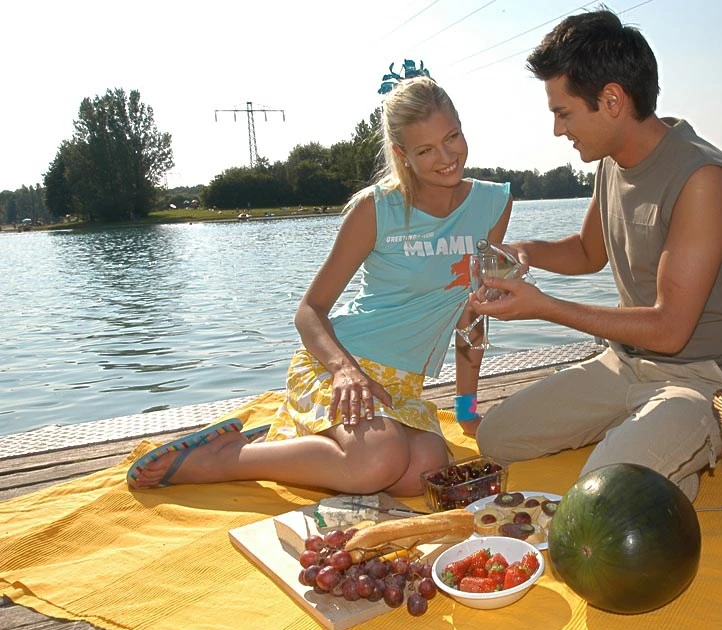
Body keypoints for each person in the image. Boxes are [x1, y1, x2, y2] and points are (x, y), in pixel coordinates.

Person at [128, 76, 512, 497]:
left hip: (402, 387)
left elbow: (474, 314)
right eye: (425, 149)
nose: (446, 157)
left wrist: (467, 410)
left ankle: (304, 438)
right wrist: (345, 371)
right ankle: (226, 457)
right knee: (377, 461)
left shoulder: (492, 204)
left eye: (452, 136)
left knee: (421, 473)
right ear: (402, 154)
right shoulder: (377, 208)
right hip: (342, 364)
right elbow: (309, 310)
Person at [472, 9, 722, 502]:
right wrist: (522, 252)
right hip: (626, 365)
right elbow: (587, 252)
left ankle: (678, 450)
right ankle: (649, 450)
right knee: (495, 438)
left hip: (705, 380)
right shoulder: (611, 162)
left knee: (601, 494)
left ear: (611, 100)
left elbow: (670, 329)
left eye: (563, 112)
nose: (558, 130)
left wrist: (543, 307)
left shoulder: (704, 180)